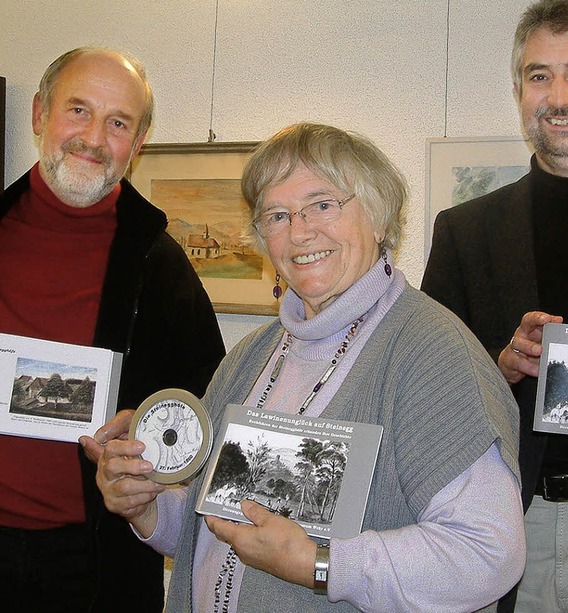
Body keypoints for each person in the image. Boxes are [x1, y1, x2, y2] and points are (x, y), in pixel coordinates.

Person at [85, 122, 526, 612]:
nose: (299, 231)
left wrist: (319, 563)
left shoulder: (432, 353)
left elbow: (487, 555)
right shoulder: (251, 357)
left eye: (323, 204)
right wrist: (145, 506)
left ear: (379, 218)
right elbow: (207, 525)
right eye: (277, 215)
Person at [421, 1, 568, 610]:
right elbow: (425, 401)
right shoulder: (464, 232)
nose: (558, 95)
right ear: (519, 92)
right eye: (539, 76)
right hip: (509, 530)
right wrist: (497, 367)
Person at [0, 47, 226, 612]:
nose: (94, 138)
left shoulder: (159, 261)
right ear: (38, 115)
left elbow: (210, 401)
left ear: (139, 141)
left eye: (118, 122)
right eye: (78, 110)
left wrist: (150, 436)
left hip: (100, 562)